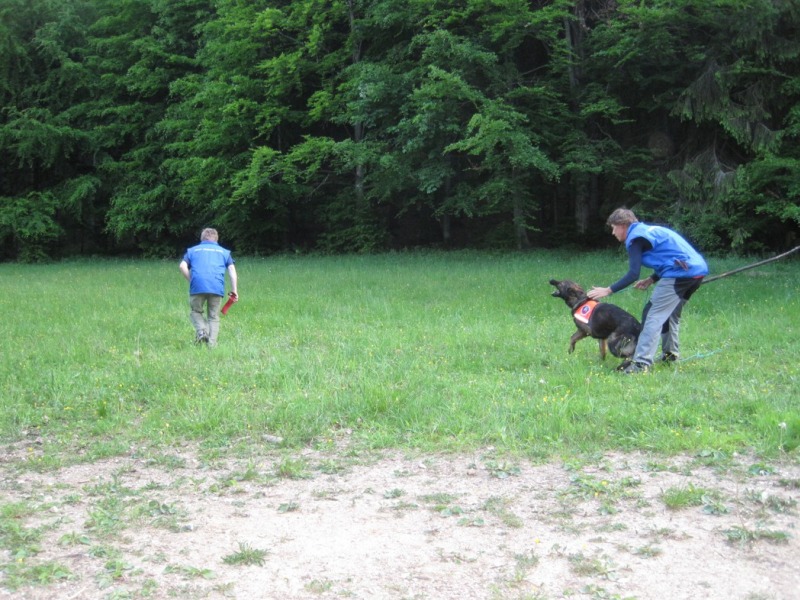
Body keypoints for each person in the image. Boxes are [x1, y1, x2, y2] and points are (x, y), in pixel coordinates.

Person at [587, 208, 708, 374]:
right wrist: (652, 279)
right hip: (695, 271)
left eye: (614, 228)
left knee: (652, 314)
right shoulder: (649, 231)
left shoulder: (635, 239)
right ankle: (670, 356)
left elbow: (633, 274)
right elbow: (668, 257)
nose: (613, 233)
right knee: (670, 314)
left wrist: (608, 290)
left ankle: (641, 364)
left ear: (623, 225)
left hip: (680, 274)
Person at [179, 228, 238, 346]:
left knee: (196, 312)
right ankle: (212, 344)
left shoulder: (192, 250)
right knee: (213, 317)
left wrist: (191, 280)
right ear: (216, 239)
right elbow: (232, 270)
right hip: (216, 286)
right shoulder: (224, 252)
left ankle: (202, 331)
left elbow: (182, 266)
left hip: (197, 286)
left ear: (202, 238)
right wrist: (234, 290)